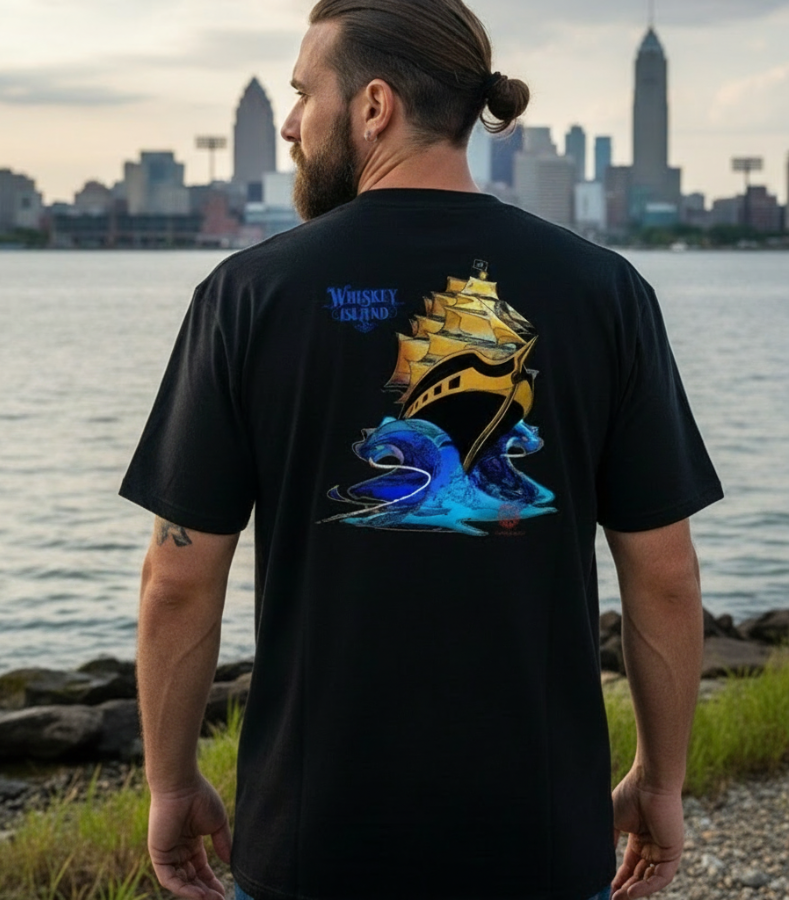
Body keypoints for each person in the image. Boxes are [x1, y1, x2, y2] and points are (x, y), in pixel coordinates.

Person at [119, 1, 723, 898]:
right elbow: (665, 574)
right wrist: (660, 783)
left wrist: (171, 785)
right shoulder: (607, 292)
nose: (290, 125)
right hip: (541, 846)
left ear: (373, 106)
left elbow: (178, 579)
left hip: (310, 846)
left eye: (303, 95)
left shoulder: (248, 295)